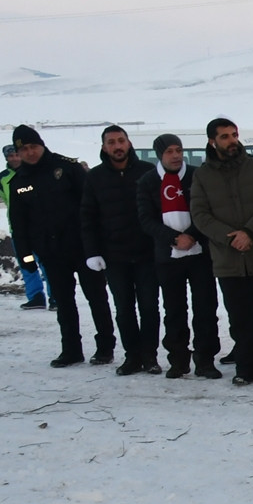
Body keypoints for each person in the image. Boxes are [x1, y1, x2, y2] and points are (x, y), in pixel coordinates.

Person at [191, 117, 253, 384]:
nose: (232, 140)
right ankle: (245, 370)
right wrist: (230, 237)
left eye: (234, 135)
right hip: (227, 260)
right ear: (212, 141)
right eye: (224, 136)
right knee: (240, 319)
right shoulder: (202, 175)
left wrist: (249, 232)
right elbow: (199, 214)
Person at [7, 125, 116, 367]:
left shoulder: (67, 168)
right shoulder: (18, 182)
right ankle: (71, 350)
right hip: (51, 253)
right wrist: (26, 257)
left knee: (97, 299)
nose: (30, 152)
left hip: (83, 248)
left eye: (33, 146)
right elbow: (19, 224)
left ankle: (105, 347)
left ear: (42, 145)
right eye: (24, 149)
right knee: (64, 303)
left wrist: (98, 244)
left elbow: (92, 206)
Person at [136, 133, 220, 379]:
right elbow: (146, 220)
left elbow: (208, 211)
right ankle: (178, 359)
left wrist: (191, 235)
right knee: (174, 310)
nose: (175, 156)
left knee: (205, 308)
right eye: (169, 151)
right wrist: (173, 238)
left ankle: (205, 360)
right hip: (167, 256)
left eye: (178, 150)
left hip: (199, 253)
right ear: (159, 155)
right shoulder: (148, 182)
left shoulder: (197, 175)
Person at [80, 125, 161, 374]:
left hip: (147, 254)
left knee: (149, 307)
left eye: (121, 140)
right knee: (124, 309)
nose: (117, 146)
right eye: (111, 142)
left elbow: (160, 212)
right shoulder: (95, 177)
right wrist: (92, 252)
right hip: (115, 257)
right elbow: (87, 217)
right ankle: (132, 357)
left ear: (129, 143)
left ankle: (150, 357)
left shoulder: (148, 172)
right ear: (104, 147)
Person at [0, 144, 47, 309]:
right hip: (18, 229)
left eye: (16, 155)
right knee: (27, 262)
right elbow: (6, 200)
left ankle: (55, 297)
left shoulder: (32, 173)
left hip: (38, 227)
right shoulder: (3, 177)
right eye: (10, 156)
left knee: (46, 263)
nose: (14, 159)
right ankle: (36, 296)